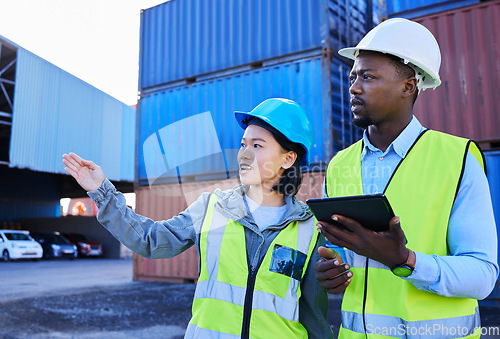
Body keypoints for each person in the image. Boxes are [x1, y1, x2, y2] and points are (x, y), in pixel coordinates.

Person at [62, 98, 334, 339]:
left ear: (288, 158)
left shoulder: (310, 228)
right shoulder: (212, 207)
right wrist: (102, 192)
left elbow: (315, 316)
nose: (244, 154)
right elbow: (151, 240)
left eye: (257, 145)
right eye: (243, 145)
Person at [314, 18, 498, 338]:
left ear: (408, 86)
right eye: (353, 77)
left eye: (368, 77)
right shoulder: (339, 165)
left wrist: (406, 261)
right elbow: (344, 252)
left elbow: (482, 277)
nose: (354, 88)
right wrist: (333, 269)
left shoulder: (457, 160)